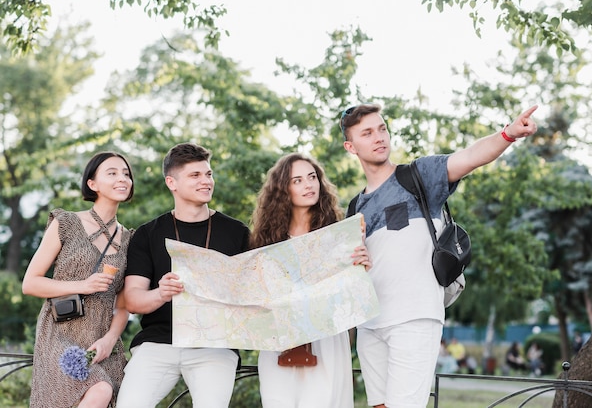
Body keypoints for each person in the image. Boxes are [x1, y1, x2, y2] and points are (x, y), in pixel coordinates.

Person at [340, 103, 538, 407]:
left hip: (414, 317)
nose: (379, 137)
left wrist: (508, 134)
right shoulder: (354, 209)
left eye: (382, 129)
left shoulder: (418, 176)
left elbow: (469, 157)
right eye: (367, 133)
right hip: (370, 325)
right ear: (350, 146)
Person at [116, 143, 250, 408]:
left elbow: (253, 294)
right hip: (158, 342)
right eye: (195, 175)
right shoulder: (148, 233)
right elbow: (132, 300)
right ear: (171, 182)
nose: (206, 181)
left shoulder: (237, 232)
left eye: (208, 174)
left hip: (215, 345)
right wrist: (160, 292)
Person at [249, 153, 372, 408]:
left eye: (312, 177)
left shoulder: (339, 236)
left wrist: (362, 267)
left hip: (326, 341)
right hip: (280, 343)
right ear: (283, 190)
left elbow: (349, 297)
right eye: (297, 180)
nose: (308, 185)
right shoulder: (266, 244)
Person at [22, 151, 135, 408]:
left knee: (106, 393)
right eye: (112, 173)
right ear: (92, 184)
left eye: (126, 174)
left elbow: (124, 303)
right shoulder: (66, 223)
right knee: (100, 389)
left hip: (102, 339)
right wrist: (83, 285)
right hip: (60, 334)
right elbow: (30, 283)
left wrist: (109, 340)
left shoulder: (130, 239)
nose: (123, 179)